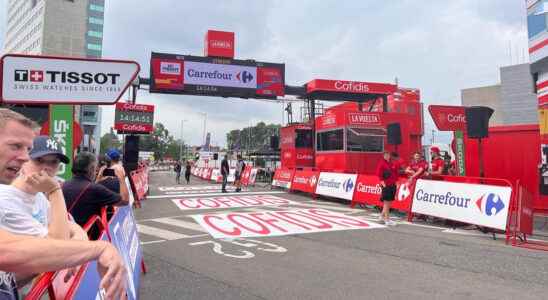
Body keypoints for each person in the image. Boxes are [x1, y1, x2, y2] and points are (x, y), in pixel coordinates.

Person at [0, 108, 126, 299]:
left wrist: (79, 243)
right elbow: (53, 245)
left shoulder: (39, 197)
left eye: (54, 162)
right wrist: (55, 191)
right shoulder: (8, 197)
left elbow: (70, 226)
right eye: (15, 146)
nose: (47, 168)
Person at [62, 152, 129, 239]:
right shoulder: (95, 189)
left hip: (65, 236)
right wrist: (121, 179)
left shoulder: (62, 185)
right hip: (88, 239)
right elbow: (125, 200)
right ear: (92, 169)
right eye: (95, 168)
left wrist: (97, 180)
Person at [376, 151, 398, 225]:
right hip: (386, 185)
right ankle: (387, 220)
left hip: (392, 184)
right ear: (383, 156)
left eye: (388, 155)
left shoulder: (391, 163)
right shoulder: (382, 163)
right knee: (387, 203)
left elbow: (395, 174)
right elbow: (378, 174)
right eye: (386, 155)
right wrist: (383, 183)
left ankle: (382, 216)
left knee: (389, 203)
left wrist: (396, 182)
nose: (387, 156)